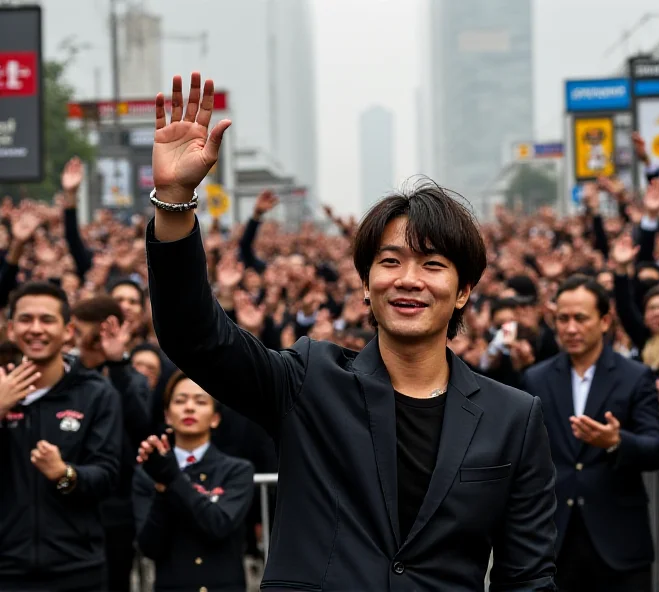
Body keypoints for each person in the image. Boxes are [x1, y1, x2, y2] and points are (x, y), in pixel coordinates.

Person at [144, 72, 557, 591]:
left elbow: (528, 576)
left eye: (432, 264)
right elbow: (194, 337)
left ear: (463, 290)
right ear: (366, 284)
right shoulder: (309, 380)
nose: (408, 279)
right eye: (390, 261)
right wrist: (174, 201)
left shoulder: (512, 419)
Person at [522, 275, 659, 592]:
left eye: (580, 318)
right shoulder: (536, 379)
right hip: (555, 540)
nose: (571, 328)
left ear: (604, 321)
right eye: (563, 319)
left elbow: (657, 447)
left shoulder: (635, 376)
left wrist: (616, 442)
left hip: (619, 540)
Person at [0, 282, 123, 591]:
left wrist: (65, 474)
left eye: (47, 319)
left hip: (77, 568)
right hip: (6, 570)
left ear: (68, 330)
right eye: (26, 320)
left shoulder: (96, 393)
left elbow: (107, 475)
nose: (36, 329)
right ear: (11, 329)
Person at [132, 371, 254, 592]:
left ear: (215, 418)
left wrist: (172, 478)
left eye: (200, 401)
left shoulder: (237, 470)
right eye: (180, 401)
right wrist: (161, 487)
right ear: (167, 415)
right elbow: (149, 546)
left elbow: (219, 525)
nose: (189, 407)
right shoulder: (147, 473)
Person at [72, 295, 152, 592]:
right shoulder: (68, 374)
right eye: (78, 334)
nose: (82, 344)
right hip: (71, 498)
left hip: (117, 507)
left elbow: (140, 427)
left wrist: (116, 364)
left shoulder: (134, 380)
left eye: (90, 337)